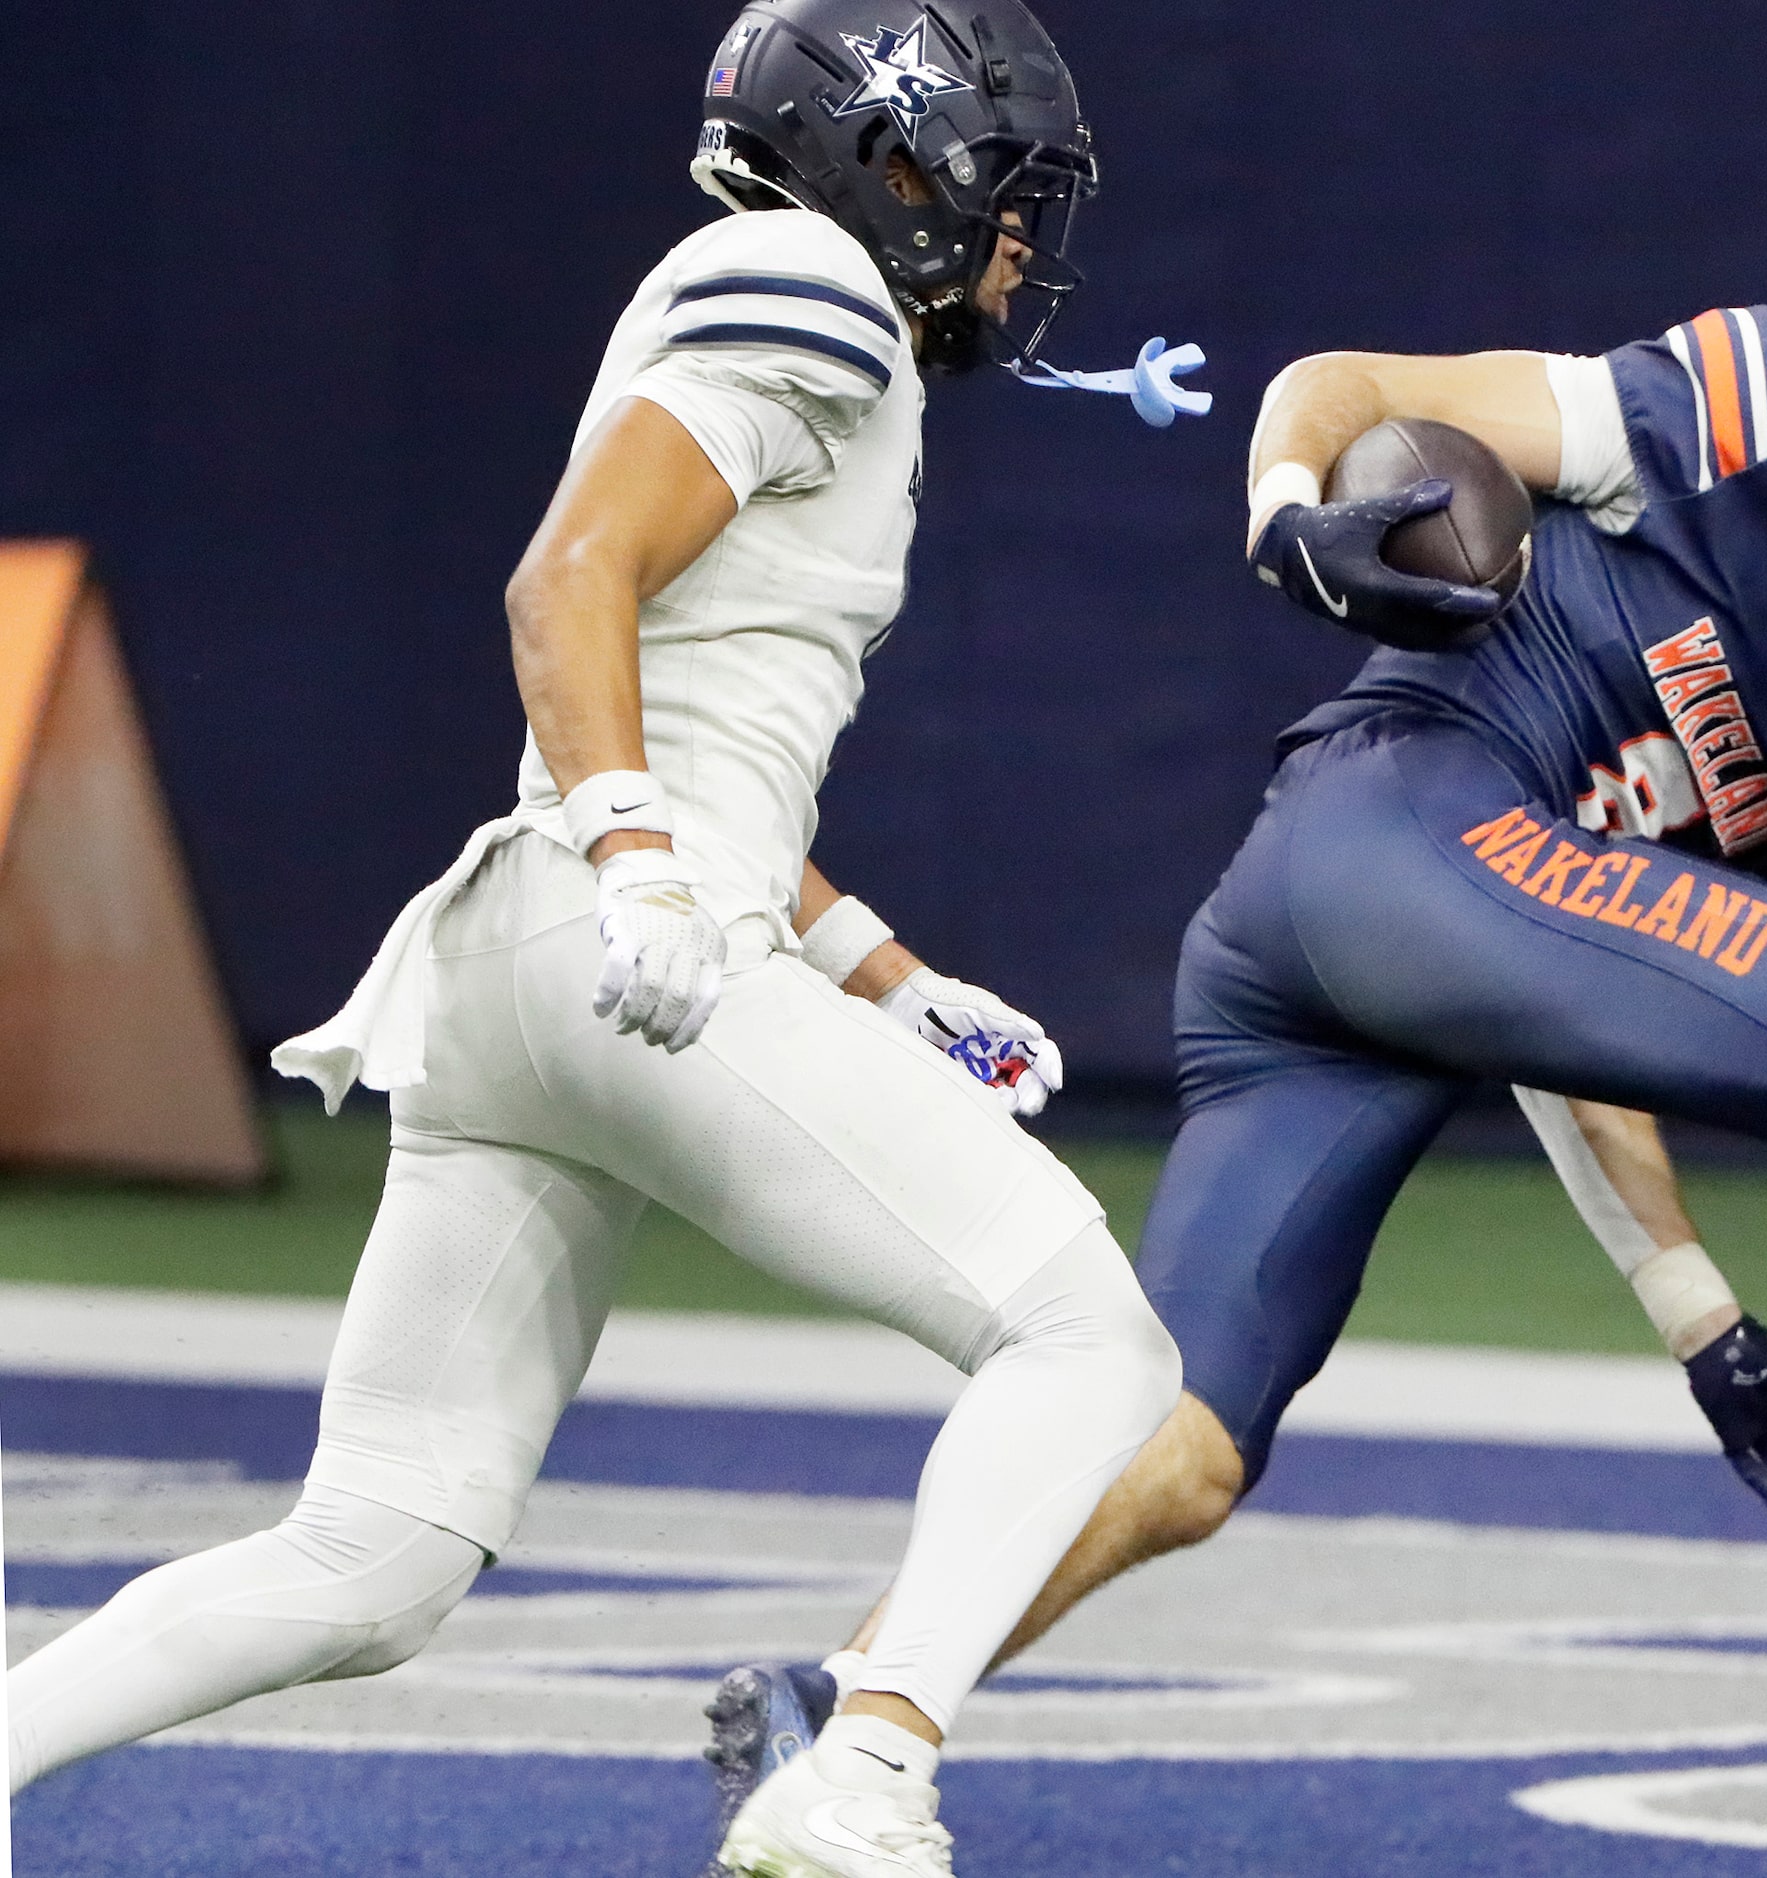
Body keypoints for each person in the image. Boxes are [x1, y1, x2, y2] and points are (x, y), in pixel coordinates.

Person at [695, 305, 1767, 1818]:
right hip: (1398, 825)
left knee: (1183, 1450)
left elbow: (1580, 979)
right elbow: (1341, 380)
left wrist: (1696, 1316)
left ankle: (840, 1703)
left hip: (1352, 920)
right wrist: (1289, 508)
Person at [3, 5, 1183, 1873]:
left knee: (372, 1552)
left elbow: (708, 728)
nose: (1022, 238)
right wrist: (641, 854)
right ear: (886, 156)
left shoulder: (782, 299)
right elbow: (568, 578)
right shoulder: (812, 281)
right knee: (1092, 1342)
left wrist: (889, 975)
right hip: (624, 932)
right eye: (1000, 186)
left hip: (544, 952)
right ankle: (862, 1768)